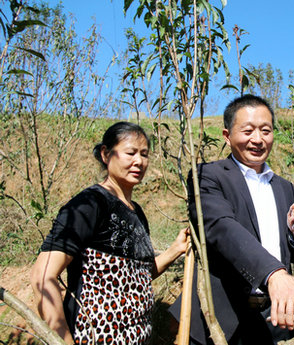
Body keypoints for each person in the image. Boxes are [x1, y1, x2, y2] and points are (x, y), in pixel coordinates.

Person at [169, 94, 294, 344]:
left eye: (266, 131)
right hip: (222, 317)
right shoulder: (207, 176)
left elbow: (291, 255)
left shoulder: (284, 187)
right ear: (227, 136)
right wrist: (275, 275)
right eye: (247, 131)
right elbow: (221, 229)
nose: (257, 139)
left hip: (273, 320)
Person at [31, 122, 189, 345]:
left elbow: (139, 278)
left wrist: (175, 250)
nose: (139, 161)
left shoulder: (137, 213)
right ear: (106, 154)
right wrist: (61, 340)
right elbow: (42, 276)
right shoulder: (89, 205)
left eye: (144, 154)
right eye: (130, 153)